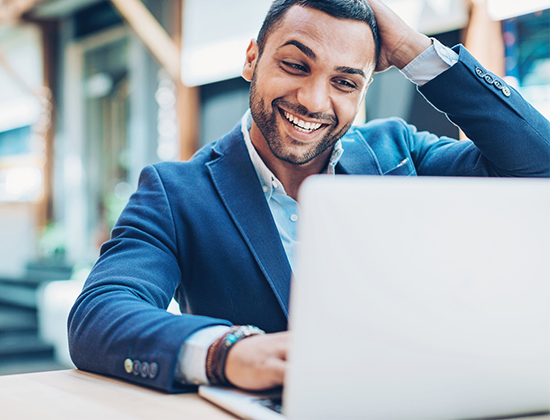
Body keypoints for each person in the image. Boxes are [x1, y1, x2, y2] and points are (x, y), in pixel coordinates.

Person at [68, 0, 550, 394]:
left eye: (345, 81)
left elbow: (538, 164)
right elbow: (99, 313)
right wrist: (225, 353)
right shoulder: (176, 192)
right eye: (296, 65)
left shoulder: (400, 152)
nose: (314, 101)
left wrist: (412, 50)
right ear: (252, 58)